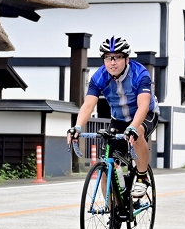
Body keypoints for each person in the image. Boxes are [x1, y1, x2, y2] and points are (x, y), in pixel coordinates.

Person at [66, 36, 158, 199]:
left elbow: (143, 106)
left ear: (127, 59)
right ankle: (113, 210)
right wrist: (77, 127)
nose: (112, 62)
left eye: (117, 57)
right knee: (107, 165)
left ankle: (142, 176)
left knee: (138, 134)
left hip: (144, 114)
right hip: (118, 119)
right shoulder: (99, 77)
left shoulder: (140, 73)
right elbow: (88, 105)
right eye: (108, 58)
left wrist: (133, 128)